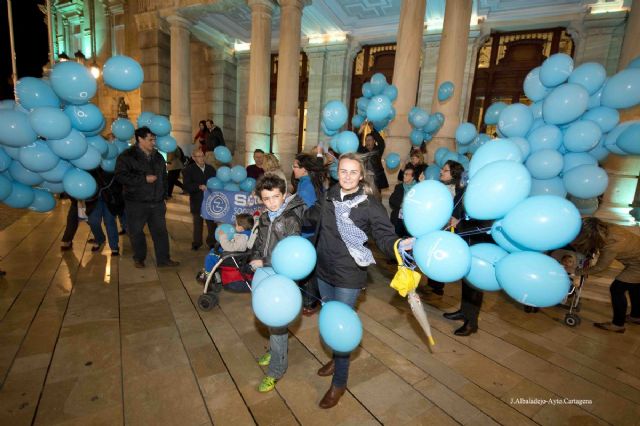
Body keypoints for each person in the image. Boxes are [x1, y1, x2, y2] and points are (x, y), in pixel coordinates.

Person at [308, 152, 411, 409]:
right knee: (330, 321)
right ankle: (336, 357)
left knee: (342, 328)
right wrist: (286, 209)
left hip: (349, 275)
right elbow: (310, 217)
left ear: (361, 175)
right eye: (343, 171)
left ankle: (339, 383)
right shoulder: (329, 195)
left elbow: (384, 236)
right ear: (337, 172)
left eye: (353, 172)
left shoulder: (368, 204)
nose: (347, 176)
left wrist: (399, 245)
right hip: (323, 270)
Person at [249, 174, 305, 393]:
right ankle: (274, 349)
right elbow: (260, 243)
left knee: (278, 322)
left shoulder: (291, 220)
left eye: (275, 197)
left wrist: (262, 260)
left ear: (284, 195)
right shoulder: (264, 217)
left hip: (283, 276)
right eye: (266, 198)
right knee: (268, 318)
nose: (272, 202)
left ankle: (276, 370)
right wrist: (254, 258)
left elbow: (291, 255)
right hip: (265, 272)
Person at [115, 126, 179, 268]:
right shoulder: (127, 156)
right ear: (140, 139)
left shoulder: (158, 156)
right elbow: (120, 176)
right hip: (136, 202)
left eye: (154, 139)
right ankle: (139, 258)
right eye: (150, 140)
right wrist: (143, 178)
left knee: (161, 232)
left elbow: (163, 177)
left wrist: (164, 195)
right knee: (136, 232)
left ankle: (163, 259)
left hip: (157, 202)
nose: (154, 143)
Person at [439, 160, 489, 336]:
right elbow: (458, 210)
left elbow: (484, 222)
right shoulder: (464, 190)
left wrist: (460, 222)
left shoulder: (485, 195)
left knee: (475, 283)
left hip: (476, 242)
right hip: (463, 240)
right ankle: (464, 311)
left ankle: (472, 323)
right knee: (466, 281)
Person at [572, 217, 640, 333]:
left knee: (617, 289)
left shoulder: (612, 245)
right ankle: (636, 316)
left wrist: (576, 271)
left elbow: (600, 268)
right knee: (635, 287)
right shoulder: (606, 227)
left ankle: (618, 325)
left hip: (637, 266)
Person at [292, 152, 326, 316]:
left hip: (308, 232)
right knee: (310, 265)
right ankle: (312, 299)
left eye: (295, 166)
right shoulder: (308, 181)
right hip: (312, 231)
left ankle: (310, 301)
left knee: (308, 267)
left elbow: (304, 211)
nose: (293, 169)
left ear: (305, 169)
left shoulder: (306, 185)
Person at [182, 149, 217, 250]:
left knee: (211, 225)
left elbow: (216, 183)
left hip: (210, 202)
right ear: (193, 158)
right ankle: (197, 243)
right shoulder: (188, 170)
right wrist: (198, 186)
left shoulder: (211, 169)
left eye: (202, 156)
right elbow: (186, 186)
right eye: (199, 156)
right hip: (197, 201)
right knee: (198, 224)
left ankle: (211, 242)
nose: (201, 158)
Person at [86, 168, 124, 256]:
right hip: (93, 198)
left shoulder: (111, 164)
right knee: (93, 221)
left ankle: (114, 246)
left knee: (110, 221)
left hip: (109, 197)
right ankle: (99, 238)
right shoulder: (89, 163)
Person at [357, 125, 388, 196]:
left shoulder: (378, 150)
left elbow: (381, 141)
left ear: (374, 141)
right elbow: (357, 143)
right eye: (366, 140)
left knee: (377, 198)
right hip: (365, 180)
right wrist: (360, 132)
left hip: (377, 180)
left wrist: (373, 129)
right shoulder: (362, 150)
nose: (368, 142)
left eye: (370, 140)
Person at [389, 163, 417, 237]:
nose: (404, 175)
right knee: (397, 240)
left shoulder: (417, 188)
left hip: (411, 220)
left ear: (412, 177)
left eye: (407, 174)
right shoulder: (399, 187)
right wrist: (402, 204)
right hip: (399, 219)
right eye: (404, 173)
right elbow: (391, 200)